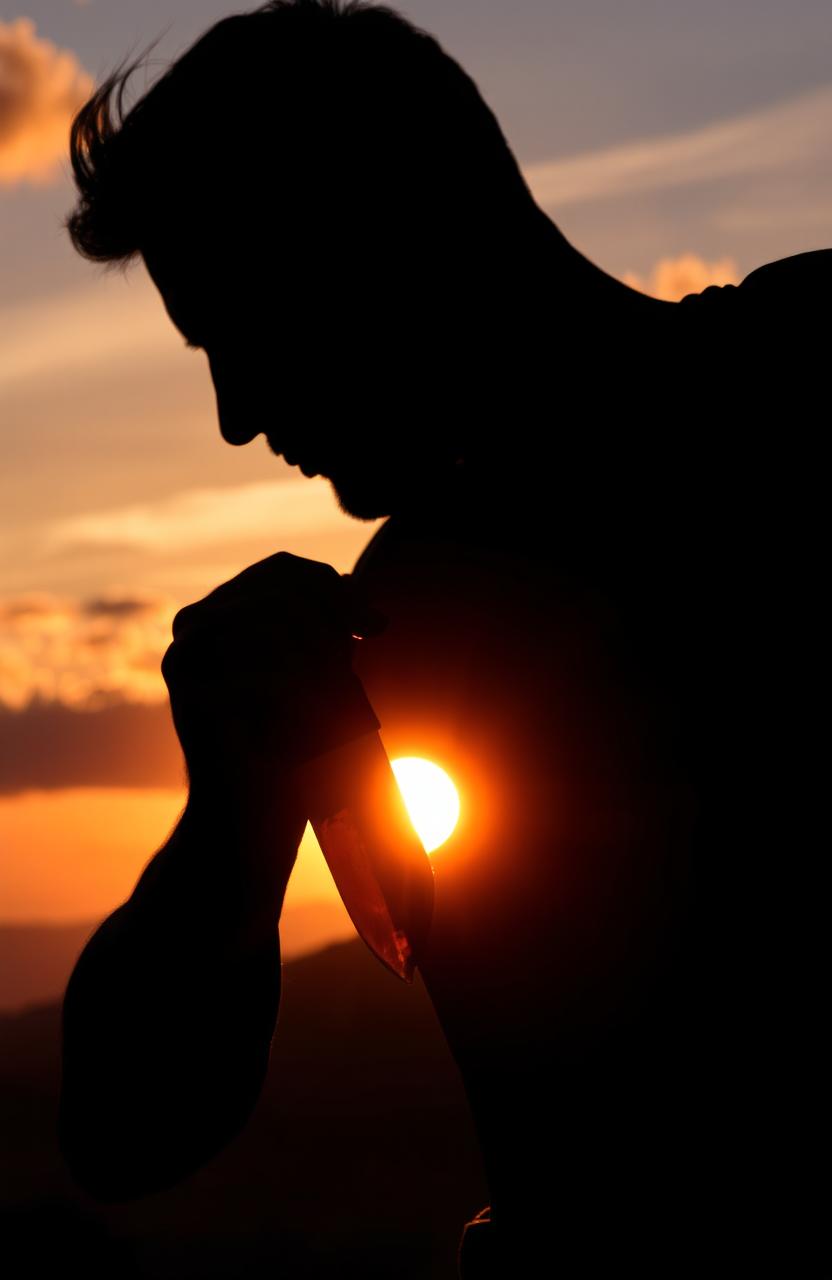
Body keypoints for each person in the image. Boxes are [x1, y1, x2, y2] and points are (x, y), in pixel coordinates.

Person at [58, 2, 828, 1275]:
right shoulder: (377, 636)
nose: (236, 416)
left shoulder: (803, 377)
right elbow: (121, 1136)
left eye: (242, 328)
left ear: (380, 238)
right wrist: (230, 824)